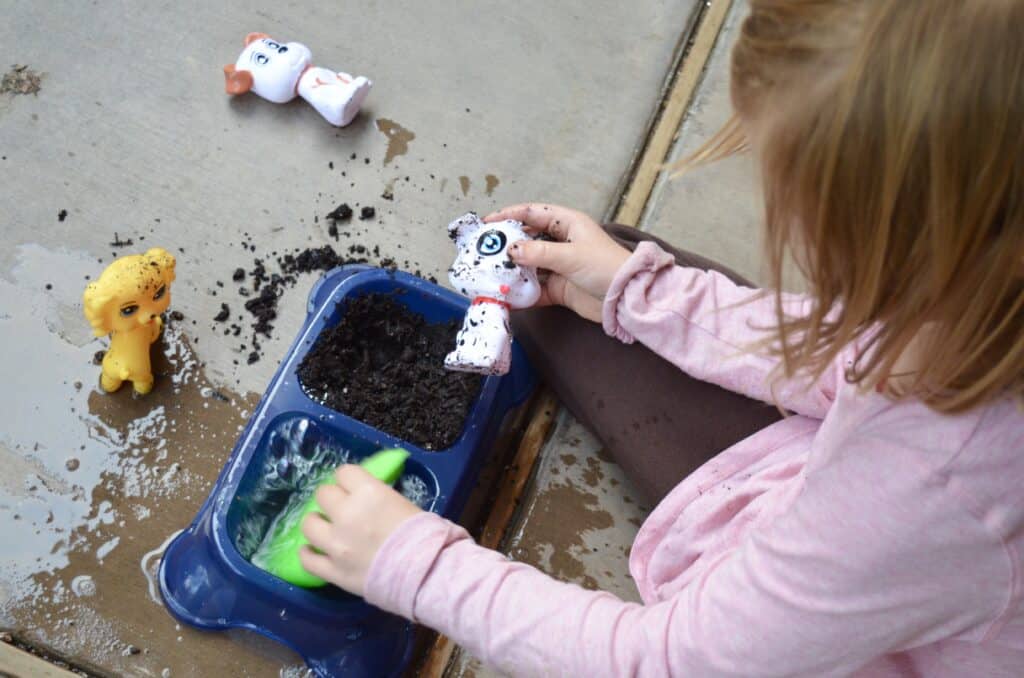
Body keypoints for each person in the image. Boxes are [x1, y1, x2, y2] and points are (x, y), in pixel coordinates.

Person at [298, 0, 1024, 674]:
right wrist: (642, 293)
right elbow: (852, 352)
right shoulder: (986, 308)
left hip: (873, 621)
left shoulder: (932, 485)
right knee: (574, 276)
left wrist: (415, 566)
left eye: (793, 203)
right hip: (892, 529)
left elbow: (668, 662)